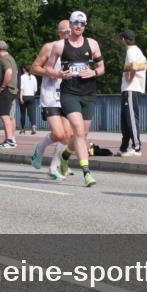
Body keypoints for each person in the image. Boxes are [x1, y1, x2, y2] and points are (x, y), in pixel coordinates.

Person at [42, 11, 104, 188]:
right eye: (76, 23)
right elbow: (48, 69)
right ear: (70, 24)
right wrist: (59, 73)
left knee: (82, 134)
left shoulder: (92, 44)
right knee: (77, 129)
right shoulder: (60, 46)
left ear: (85, 25)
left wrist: (94, 72)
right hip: (69, 93)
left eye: (82, 23)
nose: (79, 26)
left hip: (88, 93)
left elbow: (101, 67)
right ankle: (87, 173)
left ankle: (65, 156)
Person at [30, 20, 74, 180]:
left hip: (68, 94)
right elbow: (34, 67)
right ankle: (39, 149)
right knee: (59, 133)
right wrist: (54, 74)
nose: (69, 34)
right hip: (50, 94)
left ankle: (54, 167)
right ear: (59, 32)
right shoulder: (50, 47)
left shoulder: (76, 48)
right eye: (66, 31)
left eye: (71, 31)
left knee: (68, 134)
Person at [119, 29, 147, 156]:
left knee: (130, 119)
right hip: (133, 89)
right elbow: (146, 64)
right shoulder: (138, 50)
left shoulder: (131, 51)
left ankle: (136, 148)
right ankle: (123, 147)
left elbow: (134, 67)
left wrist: (129, 79)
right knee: (125, 120)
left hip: (131, 89)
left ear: (124, 39)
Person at [0, 41, 18, 148]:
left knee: (4, 116)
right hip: (13, 90)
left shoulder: (2, 59)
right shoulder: (11, 58)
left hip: (6, 90)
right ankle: (12, 139)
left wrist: (2, 86)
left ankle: (9, 141)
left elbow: (9, 72)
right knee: (11, 116)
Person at [19, 65, 38, 135]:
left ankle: (23, 128)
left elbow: (21, 88)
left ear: (24, 69)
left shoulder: (22, 77)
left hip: (24, 96)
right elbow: (35, 90)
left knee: (23, 113)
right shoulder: (33, 77)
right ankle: (33, 126)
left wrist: (21, 97)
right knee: (32, 113)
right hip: (32, 96)